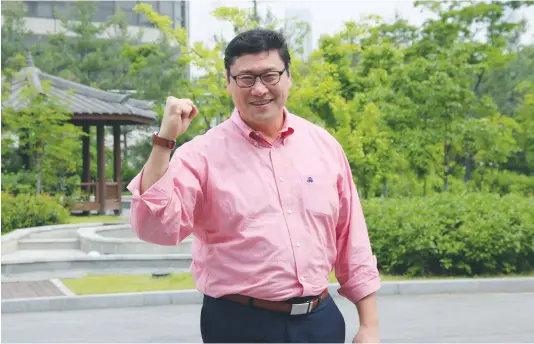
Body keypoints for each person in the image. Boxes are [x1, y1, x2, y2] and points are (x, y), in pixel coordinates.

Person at [127, 28, 381, 343]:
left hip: (321, 322)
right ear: (228, 82)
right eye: (246, 78)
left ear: (288, 76)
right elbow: (154, 228)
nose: (259, 89)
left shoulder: (323, 145)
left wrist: (369, 326)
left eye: (270, 76)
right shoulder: (201, 154)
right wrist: (165, 141)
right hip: (239, 324)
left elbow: (351, 239)